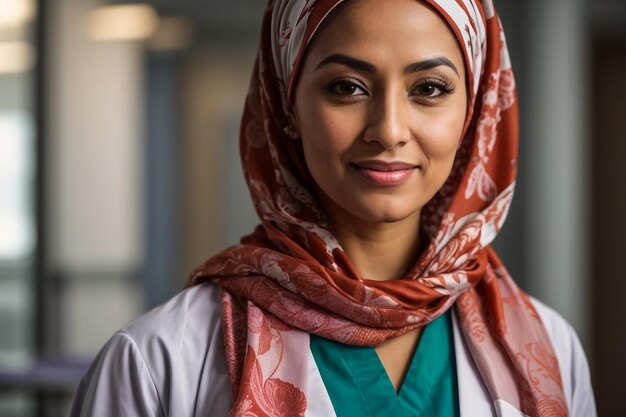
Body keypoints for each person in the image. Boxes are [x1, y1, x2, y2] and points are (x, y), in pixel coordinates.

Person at [70, 0, 597, 416]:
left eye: (430, 89)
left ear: (473, 113)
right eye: (347, 87)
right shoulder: (157, 360)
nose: (389, 129)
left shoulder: (549, 347)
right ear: (287, 105)